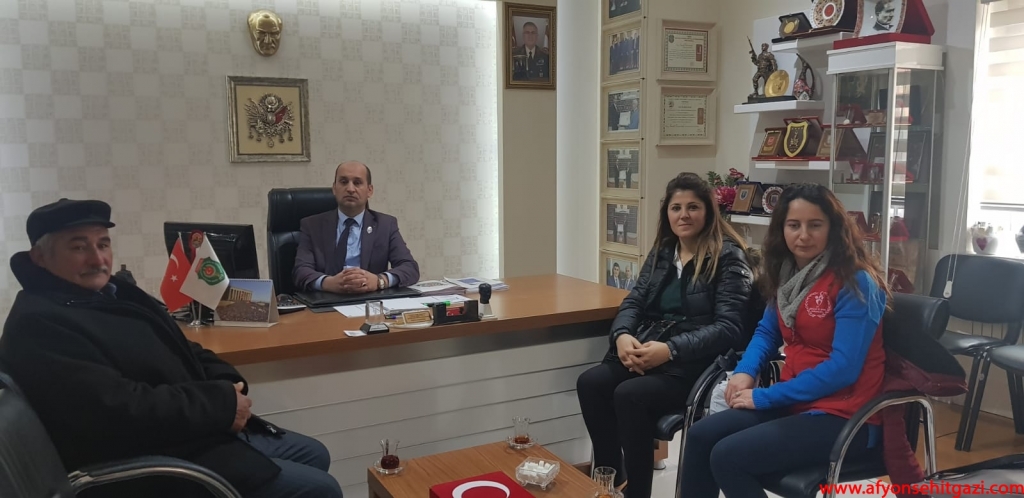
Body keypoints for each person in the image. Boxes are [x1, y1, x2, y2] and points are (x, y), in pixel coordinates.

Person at [0, 198, 342, 498]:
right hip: (150, 459)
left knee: (313, 453)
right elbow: (121, 411)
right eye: (78, 247)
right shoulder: (40, 324)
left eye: (103, 244)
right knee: (319, 488)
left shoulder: (112, 293)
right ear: (40, 257)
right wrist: (221, 405)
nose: (97, 258)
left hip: (187, 431)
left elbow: (182, 345)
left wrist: (228, 384)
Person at [679, 183, 890, 498]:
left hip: (845, 415)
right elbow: (767, 331)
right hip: (797, 400)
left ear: (833, 229)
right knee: (699, 436)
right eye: (794, 225)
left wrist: (765, 397)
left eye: (814, 225)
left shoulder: (855, 282)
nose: (803, 235)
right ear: (782, 229)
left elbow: (844, 368)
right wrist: (745, 371)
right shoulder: (789, 274)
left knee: (728, 456)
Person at [576, 173, 755, 498]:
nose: (683, 215)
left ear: (708, 212)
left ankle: (638, 493)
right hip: (653, 352)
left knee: (629, 395)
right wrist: (622, 336)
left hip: (695, 366)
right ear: (667, 213)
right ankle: (611, 478)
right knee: (590, 383)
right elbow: (634, 301)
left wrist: (669, 350)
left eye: (693, 207)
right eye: (676, 208)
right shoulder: (664, 251)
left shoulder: (729, 257)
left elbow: (729, 329)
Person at [293, 161, 420, 293]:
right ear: (334, 188)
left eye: (357, 183)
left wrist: (379, 281)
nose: (350, 189)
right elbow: (300, 271)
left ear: (369, 190)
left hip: (370, 299)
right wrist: (328, 283)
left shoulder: (385, 225)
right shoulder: (312, 225)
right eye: (343, 182)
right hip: (327, 299)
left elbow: (410, 268)